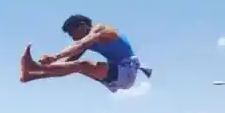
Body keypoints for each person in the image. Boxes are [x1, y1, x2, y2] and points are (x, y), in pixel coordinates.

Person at [20, 14, 152, 93]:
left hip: (127, 72)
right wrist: (35, 72)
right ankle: (29, 76)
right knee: (75, 66)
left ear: (83, 26)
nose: (72, 38)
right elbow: (65, 65)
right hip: (115, 77)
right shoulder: (87, 44)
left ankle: (33, 69)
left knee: (82, 65)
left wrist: (55, 56)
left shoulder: (101, 29)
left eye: (72, 33)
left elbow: (81, 44)